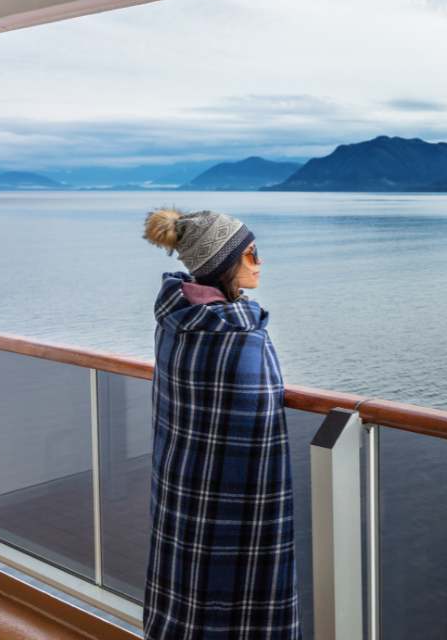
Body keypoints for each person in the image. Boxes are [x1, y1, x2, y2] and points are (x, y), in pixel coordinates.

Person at [141, 207, 300, 639]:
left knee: (186, 589)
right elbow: (260, 418)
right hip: (237, 500)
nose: (259, 262)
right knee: (244, 593)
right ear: (224, 262)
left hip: (182, 485)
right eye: (251, 253)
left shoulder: (175, 321)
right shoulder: (236, 338)